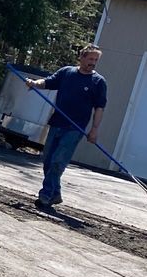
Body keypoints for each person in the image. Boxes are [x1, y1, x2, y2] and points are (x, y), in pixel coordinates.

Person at [27, 45, 107, 210]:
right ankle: (55, 193)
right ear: (82, 57)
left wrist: (95, 129)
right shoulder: (67, 73)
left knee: (58, 162)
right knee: (48, 162)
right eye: (90, 59)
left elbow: (99, 107)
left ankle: (45, 196)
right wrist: (35, 83)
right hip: (56, 123)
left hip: (74, 129)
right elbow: (48, 82)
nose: (93, 63)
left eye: (96, 60)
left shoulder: (98, 82)